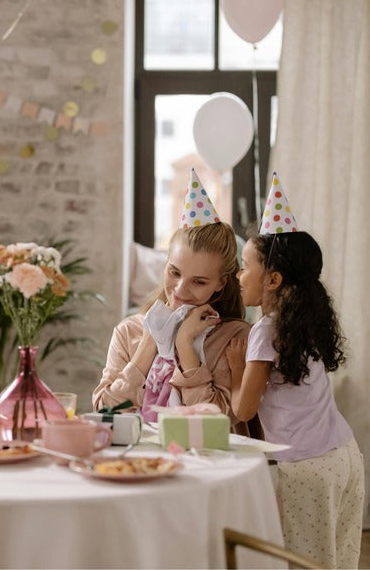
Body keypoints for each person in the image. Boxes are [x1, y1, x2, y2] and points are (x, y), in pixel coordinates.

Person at [226, 201, 363, 567]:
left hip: (306, 469)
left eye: (244, 267)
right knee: (338, 558)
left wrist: (237, 368)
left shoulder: (264, 330)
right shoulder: (308, 320)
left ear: (272, 279)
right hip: (345, 455)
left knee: (304, 563)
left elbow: (243, 409)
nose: (239, 276)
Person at [93, 171, 253, 434]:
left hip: (207, 467)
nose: (180, 290)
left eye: (199, 282)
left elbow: (216, 426)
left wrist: (185, 346)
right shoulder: (129, 331)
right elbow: (105, 412)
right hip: (138, 463)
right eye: (174, 273)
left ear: (221, 283)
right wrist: (149, 342)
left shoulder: (235, 337)